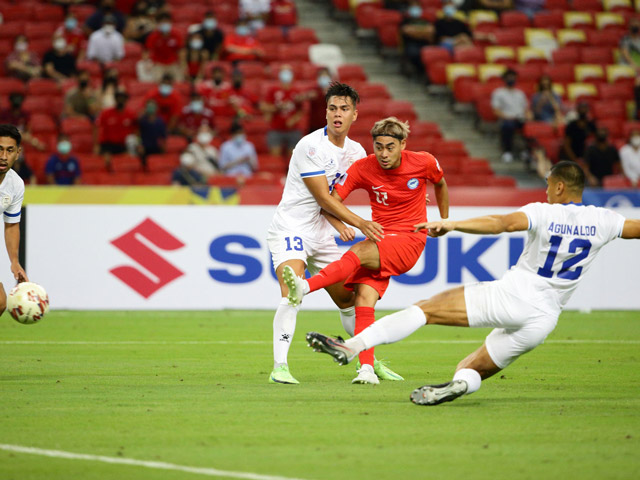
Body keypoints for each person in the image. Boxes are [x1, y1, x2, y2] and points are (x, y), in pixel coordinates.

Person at [306, 161, 640, 405]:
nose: (546, 191)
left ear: (559, 187)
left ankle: (352, 347)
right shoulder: (605, 220)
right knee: (469, 368)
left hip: (514, 295)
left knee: (425, 310)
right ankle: (461, 386)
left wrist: (453, 224)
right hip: (545, 319)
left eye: (548, 185)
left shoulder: (545, 211)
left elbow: (500, 223)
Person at [284, 117, 449, 385]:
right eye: (379, 146)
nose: (383, 154)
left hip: (409, 240)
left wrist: (444, 220)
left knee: (359, 250)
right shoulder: (363, 168)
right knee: (363, 300)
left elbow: (440, 184)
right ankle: (367, 370)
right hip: (382, 238)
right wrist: (339, 225)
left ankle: (305, 288)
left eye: (390, 147)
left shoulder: (423, 162)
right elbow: (329, 202)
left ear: (403, 145)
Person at [266, 82, 373, 385]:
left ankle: (369, 362)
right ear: (325, 112)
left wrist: (411, 194)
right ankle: (280, 367)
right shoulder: (310, 146)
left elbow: (338, 197)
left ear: (355, 114)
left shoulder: (356, 151)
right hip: (292, 227)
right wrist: (360, 223)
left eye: (344, 109)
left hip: (322, 231)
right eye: (332, 108)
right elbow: (322, 196)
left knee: (349, 300)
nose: (337, 114)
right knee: (292, 293)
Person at [0, 124, 30, 315]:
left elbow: (11, 225)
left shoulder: (15, 184)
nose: (3, 156)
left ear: (17, 153)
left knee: (1, 303)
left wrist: (14, 261)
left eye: (9, 150)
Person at [261, 64, 308, 158]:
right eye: (284, 71)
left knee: (293, 159)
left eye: (288, 71)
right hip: (276, 128)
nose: (286, 74)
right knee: (275, 158)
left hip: (292, 129)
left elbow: (301, 110)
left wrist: (294, 119)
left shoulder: (296, 91)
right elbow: (264, 107)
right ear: (279, 74)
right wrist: (277, 108)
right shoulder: (273, 90)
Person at [491, 68, 531, 163]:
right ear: (504, 79)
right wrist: (507, 117)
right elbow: (496, 110)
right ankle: (507, 151)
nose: (511, 79)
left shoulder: (520, 93)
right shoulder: (498, 93)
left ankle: (527, 151)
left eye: (513, 77)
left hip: (520, 118)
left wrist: (529, 116)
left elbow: (526, 109)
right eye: (509, 77)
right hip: (507, 118)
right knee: (508, 126)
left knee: (532, 127)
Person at [95, 89, 138, 157]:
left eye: (122, 98)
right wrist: (97, 145)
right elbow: (97, 128)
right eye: (118, 98)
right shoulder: (106, 113)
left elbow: (136, 131)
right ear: (115, 99)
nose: (120, 100)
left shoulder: (131, 114)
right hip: (108, 145)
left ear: (126, 100)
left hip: (124, 145)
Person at [144, 12, 186, 82]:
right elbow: (148, 51)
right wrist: (149, 62)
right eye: (162, 22)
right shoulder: (153, 36)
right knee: (156, 80)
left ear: (170, 23)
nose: (165, 24)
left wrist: (183, 64)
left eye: (166, 22)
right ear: (158, 24)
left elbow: (181, 50)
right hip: (158, 63)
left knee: (179, 81)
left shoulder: (177, 35)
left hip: (173, 63)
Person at [400, 1, 435, 76]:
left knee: (434, 54)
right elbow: (407, 31)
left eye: (417, 6)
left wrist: (415, 32)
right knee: (415, 53)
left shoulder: (425, 20)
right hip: (411, 44)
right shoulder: (406, 20)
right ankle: (421, 71)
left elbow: (431, 31)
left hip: (425, 43)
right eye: (413, 6)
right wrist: (422, 33)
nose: (415, 8)